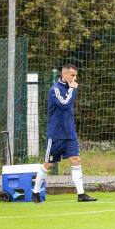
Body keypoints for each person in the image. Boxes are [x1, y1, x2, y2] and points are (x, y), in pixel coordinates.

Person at [32, 64, 96, 203]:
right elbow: (65, 104)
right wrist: (73, 89)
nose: (75, 78)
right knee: (48, 164)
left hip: (70, 134)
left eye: (76, 76)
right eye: (72, 75)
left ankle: (81, 194)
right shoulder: (55, 89)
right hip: (56, 135)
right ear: (64, 75)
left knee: (76, 159)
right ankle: (35, 192)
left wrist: (71, 89)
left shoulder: (69, 88)